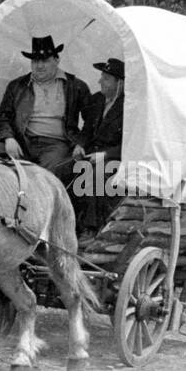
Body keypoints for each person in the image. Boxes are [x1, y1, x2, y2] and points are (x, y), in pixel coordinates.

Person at [0, 35, 94, 185]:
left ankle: (40, 207)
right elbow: (2, 116)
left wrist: (81, 143)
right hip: (22, 142)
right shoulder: (18, 86)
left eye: (45, 60)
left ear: (56, 60)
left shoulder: (75, 86)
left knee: (46, 177)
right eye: (35, 61)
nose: (39, 66)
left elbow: (91, 119)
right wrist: (9, 138)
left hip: (56, 145)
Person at [72, 58, 126, 237]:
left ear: (120, 83)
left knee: (96, 176)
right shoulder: (97, 99)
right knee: (61, 170)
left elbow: (130, 143)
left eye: (106, 78)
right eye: (102, 76)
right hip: (91, 154)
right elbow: (87, 129)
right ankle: (67, 223)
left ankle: (91, 228)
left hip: (117, 158)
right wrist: (79, 144)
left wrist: (105, 154)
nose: (100, 81)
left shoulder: (130, 107)